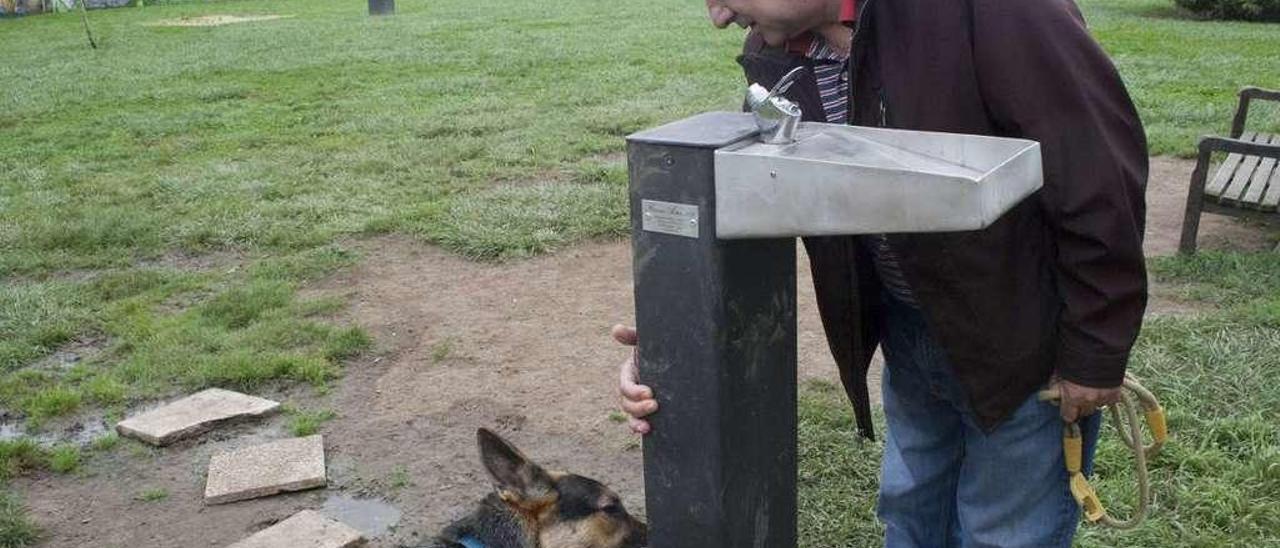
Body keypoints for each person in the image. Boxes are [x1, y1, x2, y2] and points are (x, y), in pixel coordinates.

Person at [613, 0, 1149, 546]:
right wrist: (667, 335)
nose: (720, 17)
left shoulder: (999, 11)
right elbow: (755, 192)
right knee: (911, 514)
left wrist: (1096, 349)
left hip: (1024, 347)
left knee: (1005, 530)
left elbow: (1096, 170)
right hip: (908, 329)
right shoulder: (776, 47)